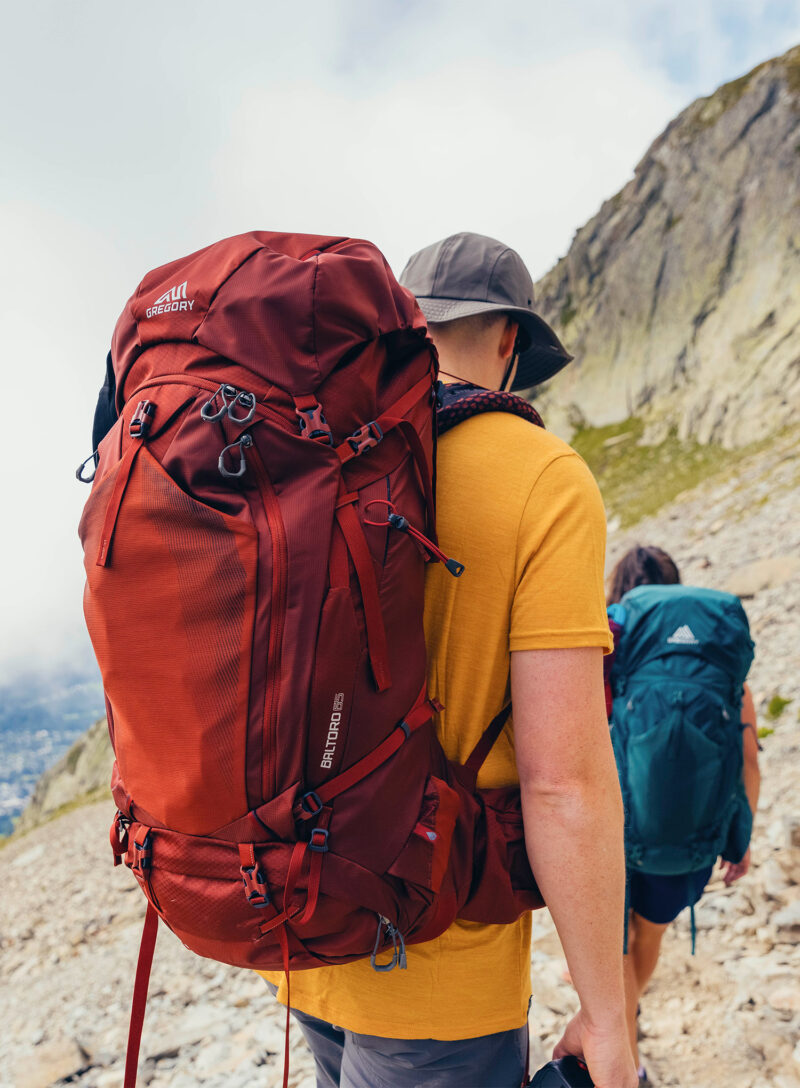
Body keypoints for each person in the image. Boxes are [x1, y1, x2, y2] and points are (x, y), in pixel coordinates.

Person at [263, 233, 637, 1088]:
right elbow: (564, 782)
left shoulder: (320, 454)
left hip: (303, 926)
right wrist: (608, 1013)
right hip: (440, 963)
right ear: (510, 341)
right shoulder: (543, 475)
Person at [606, 546, 760, 1083]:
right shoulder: (722, 674)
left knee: (608, 949)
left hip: (609, 830)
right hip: (685, 839)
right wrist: (739, 841)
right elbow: (748, 765)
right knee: (646, 938)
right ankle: (629, 1023)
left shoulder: (612, 656)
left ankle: (627, 1055)